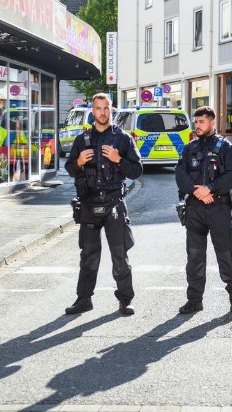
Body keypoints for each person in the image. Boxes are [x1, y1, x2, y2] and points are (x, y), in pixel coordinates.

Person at [64, 93, 143, 316]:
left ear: (112, 110)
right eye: (98, 108)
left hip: (114, 204)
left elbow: (137, 170)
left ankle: (125, 300)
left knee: (120, 255)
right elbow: (70, 168)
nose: (102, 112)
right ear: (92, 111)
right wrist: (78, 162)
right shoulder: (82, 140)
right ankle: (84, 299)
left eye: (106, 108)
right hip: (88, 204)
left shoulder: (123, 139)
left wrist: (119, 159)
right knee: (88, 255)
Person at [175, 106, 232, 317]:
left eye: (202, 122)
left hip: (219, 208)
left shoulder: (225, 148)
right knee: (195, 258)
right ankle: (194, 300)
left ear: (212, 123)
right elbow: (180, 174)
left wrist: (211, 189)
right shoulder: (190, 148)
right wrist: (197, 192)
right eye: (196, 122)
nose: (197, 126)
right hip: (195, 209)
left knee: (227, 256)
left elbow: (231, 176)